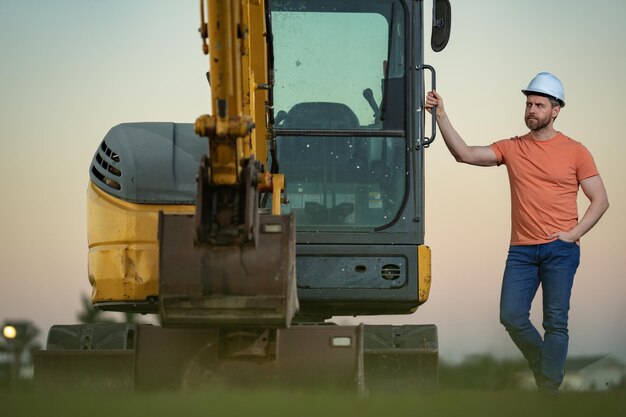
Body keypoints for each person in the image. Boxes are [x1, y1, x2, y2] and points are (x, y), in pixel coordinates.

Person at [425, 72, 609, 396]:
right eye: (528, 104)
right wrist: (440, 115)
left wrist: (572, 234)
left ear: (556, 110)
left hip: (560, 249)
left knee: (555, 321)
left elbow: (601, 200)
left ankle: (548, 390)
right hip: (522, 251)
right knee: (511, 316)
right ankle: (546, 370)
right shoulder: (512, 148)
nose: (531, 110)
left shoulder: (576, 151)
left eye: (539, 104)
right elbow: (464, 153)